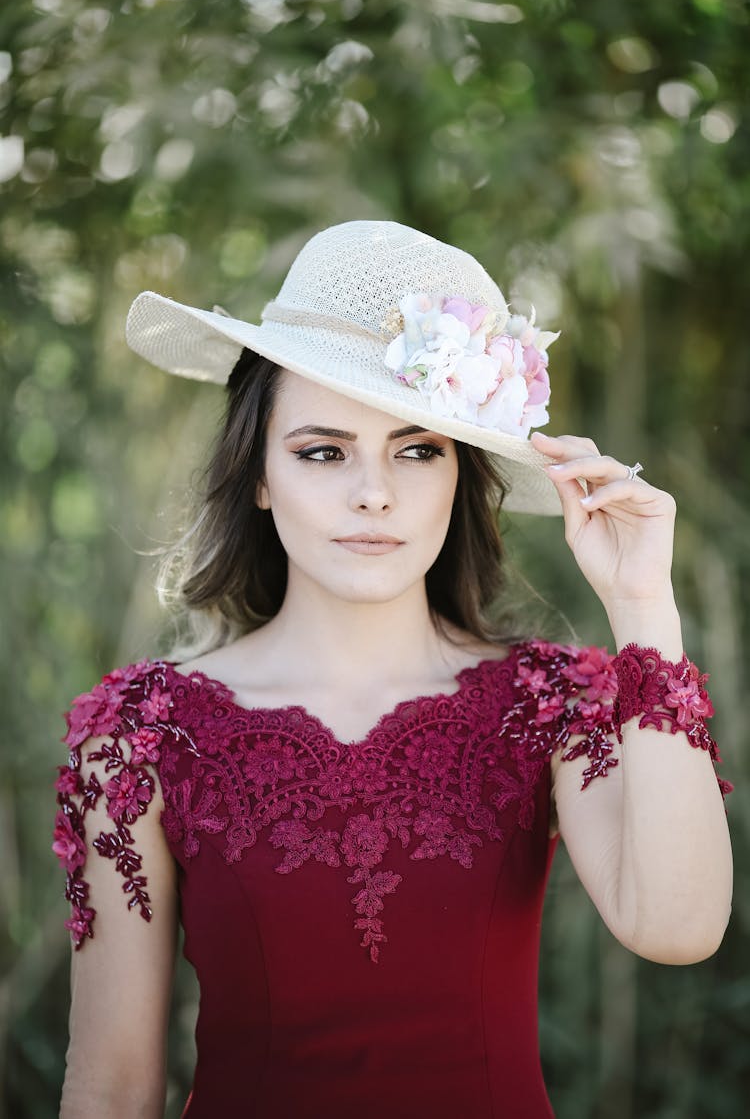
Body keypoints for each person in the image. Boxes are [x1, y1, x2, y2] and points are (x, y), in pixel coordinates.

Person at [53, 220, 733, 1119]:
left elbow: (679, 929)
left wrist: (645, 606)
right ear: (258, 471)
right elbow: (112, 1086)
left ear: (462, 476)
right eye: (323, 451)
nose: (373, 490)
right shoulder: (141, 734)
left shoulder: (551, 704)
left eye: (417, 450)